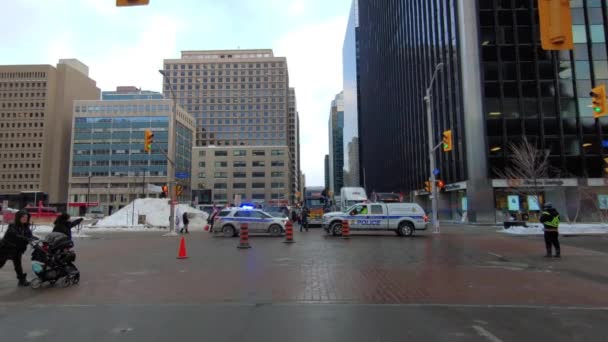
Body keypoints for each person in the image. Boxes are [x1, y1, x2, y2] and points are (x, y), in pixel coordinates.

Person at [0, 210, 33, 286]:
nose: (25, 219)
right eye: (23, 217)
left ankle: (21, 280)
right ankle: (21, 279)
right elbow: (14, 235)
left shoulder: (26, 227)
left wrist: (34, 239)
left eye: (26, 217)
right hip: (6, 249)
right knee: (1, 263)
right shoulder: (13, 226)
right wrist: (25, 238)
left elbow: (30, 236)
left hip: (17, 250)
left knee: (18, 265)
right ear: (18, 218)